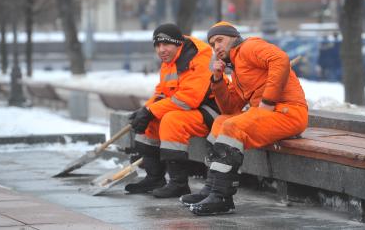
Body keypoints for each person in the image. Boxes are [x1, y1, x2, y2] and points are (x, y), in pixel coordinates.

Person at [181, 21, 308, 215]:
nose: (216, 47)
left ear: (233, 37)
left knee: (232, 126)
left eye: (220, 40)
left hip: (288, 112)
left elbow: (280, 59)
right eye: (213, 44)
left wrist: (268, 101)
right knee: (220, 122)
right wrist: (217, 78)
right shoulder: (237, 68)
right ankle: (213, 187)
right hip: (268, 115)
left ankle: (222, 197)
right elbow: (230, 107)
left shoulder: (249, 47)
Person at [125, 23, 220, 198]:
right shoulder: (169, 61)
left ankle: (179, 184)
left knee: (171, 120)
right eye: (157, 45)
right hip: (189, 110)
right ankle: (154, 178)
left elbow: (189, 99)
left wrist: (151, 111)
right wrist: (145, 110)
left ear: (179, 44)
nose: (161, 50)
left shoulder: (201, 58)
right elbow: (162, 94)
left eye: (166, 44)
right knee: (149, 121)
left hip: (213, 111)